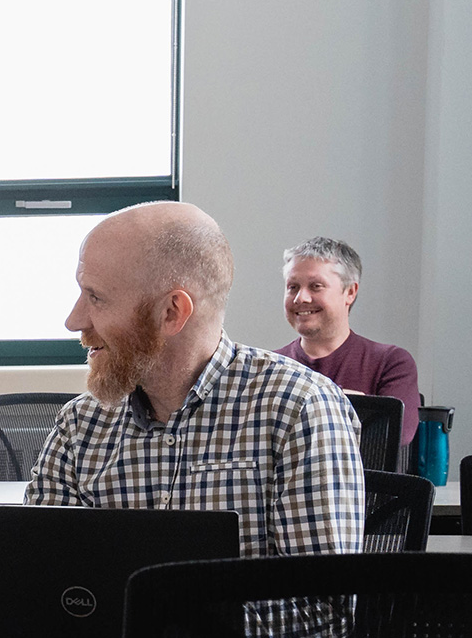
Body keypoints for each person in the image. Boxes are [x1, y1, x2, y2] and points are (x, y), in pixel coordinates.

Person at [27, 202, 364, 561]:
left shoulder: (299, 409)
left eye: (96, 297)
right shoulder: (80, 425)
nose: (73, 320)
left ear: (172, 312)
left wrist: (177, 614)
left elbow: (323, 603)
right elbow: (43, 577)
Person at [274, 237, 420, 452]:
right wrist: (354, 405)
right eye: (293, 287)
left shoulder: (391, 362)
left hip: (365, 486)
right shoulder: (271, 367)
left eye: (316, 286)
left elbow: (397, 433)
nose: (300, 298)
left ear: (350, 292)